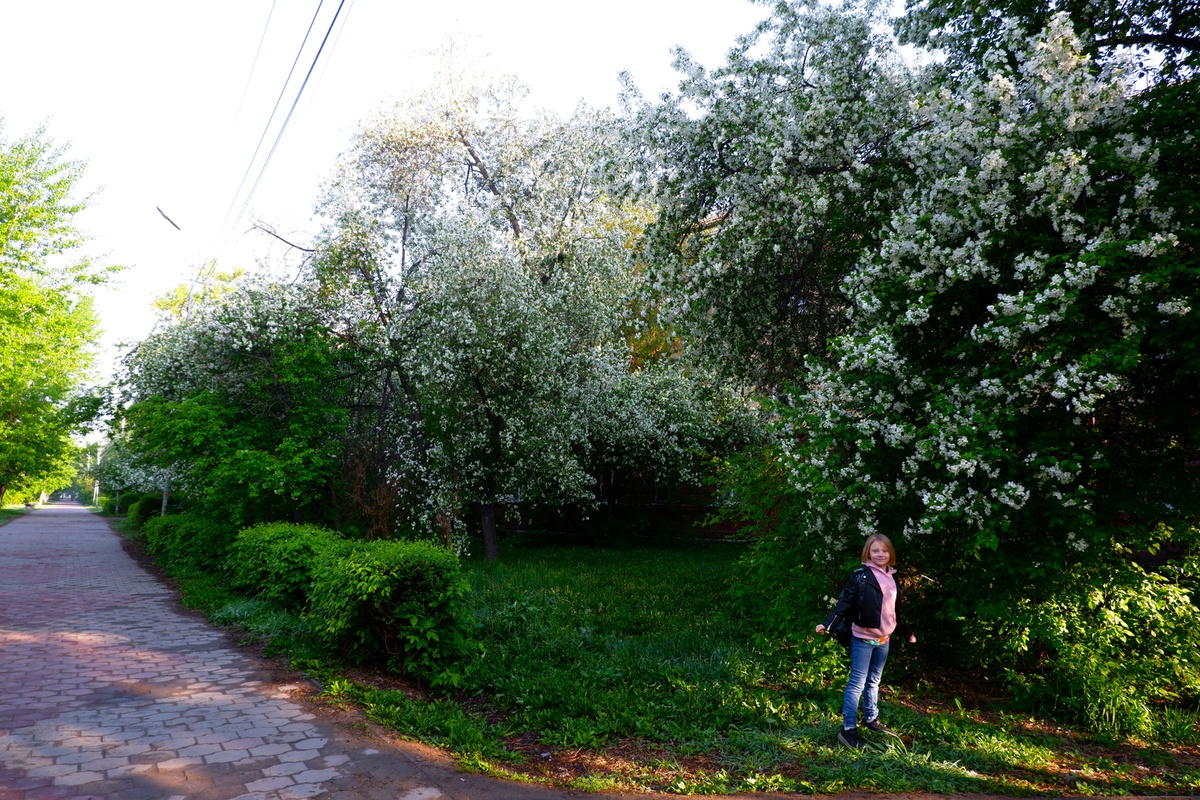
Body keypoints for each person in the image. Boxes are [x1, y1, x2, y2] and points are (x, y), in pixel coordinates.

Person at [816, 533, 916, 750]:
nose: (880, 554)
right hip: (863, 639)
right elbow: (844, 603)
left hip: (884, 639)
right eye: (875, 551)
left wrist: (906, 632)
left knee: (874, 681)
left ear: (890, 553)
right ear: (868, 553)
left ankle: (871, 719)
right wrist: (828, 624)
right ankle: (848, 730)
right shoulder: (861, 576)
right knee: (856, 684)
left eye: (884, 550)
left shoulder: (892, 576)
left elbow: (895, 611)